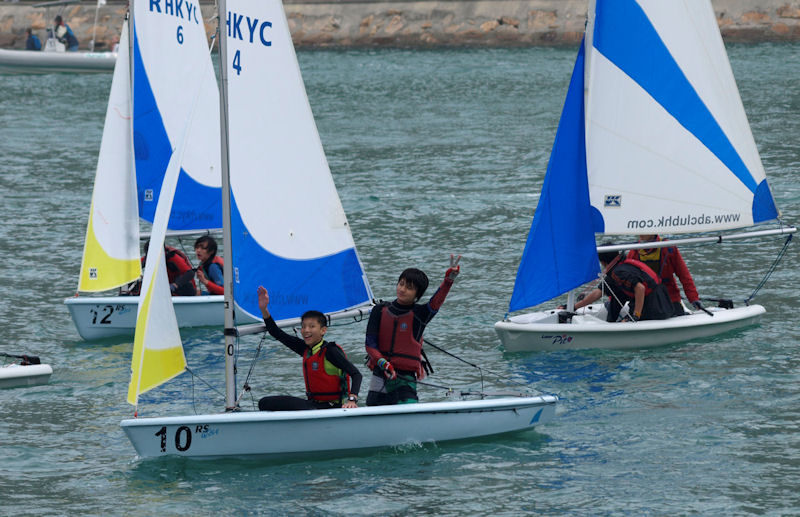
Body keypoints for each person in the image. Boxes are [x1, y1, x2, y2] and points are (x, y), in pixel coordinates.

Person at [364, 255, 461, 406]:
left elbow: (436, 302)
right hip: (380, 373)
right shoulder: (379, 310)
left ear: (417, 294)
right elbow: (370, 344)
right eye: (401, 284)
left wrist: (448, 281)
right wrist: (384, 364)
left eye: (409, 287)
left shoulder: (420, 315)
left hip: (405, 378)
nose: (402, 289)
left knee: (408, 408)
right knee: (373, 411)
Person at [256, 286, 361, 411]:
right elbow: (277, 333)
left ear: (323, 330)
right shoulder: (305, 349)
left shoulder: (330, 351)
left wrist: (352, 400)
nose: (306, 330)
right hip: (314, 404)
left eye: (312, 326)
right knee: (264, 403)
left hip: (332, 406)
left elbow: (356, 374)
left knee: (290, 405)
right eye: (303, 326)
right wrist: (264, 309)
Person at [573, 248, 673, 322]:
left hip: (656, 304)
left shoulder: (619, 272)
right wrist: (575, 307)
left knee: (626, 317)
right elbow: (598, 292)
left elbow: (640, 288)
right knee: (616, 293)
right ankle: (611, 322)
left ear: (603, 262)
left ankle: (628, 319)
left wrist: (636, 315)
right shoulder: (617, 269)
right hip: (659, 297)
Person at [627, 234, 702, 317]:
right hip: (645, 301)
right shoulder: (634, 252)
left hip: (670, 299)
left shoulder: (669, 248)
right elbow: (625, 279)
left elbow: (684, 275)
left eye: (644, 232)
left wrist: (694, 299)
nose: (640, 234)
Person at [127, 241, 197, 296]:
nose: (153, 258)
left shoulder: (173, 258)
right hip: (163, 289)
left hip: (181, 289)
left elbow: (190, 273)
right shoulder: (147, 258)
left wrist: (175, 285)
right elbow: (132, 269)